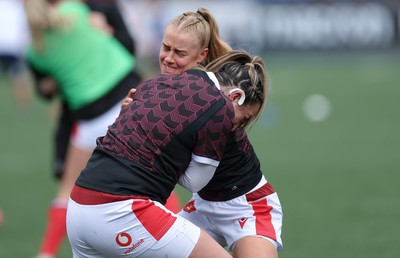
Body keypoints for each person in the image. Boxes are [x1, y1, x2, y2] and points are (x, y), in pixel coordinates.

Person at [66, 49, 267, 258]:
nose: (239, 126)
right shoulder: (219, 107)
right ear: (236, 97)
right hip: (120, 211)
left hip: (78, 207)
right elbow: (194, 183)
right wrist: (166, 157)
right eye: (244, 118)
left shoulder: (155, 86)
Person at [121, 10, 283, 258]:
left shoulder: (211, 97)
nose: (168, 59)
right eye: (166, 48)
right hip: (203, 205)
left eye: (180, 53)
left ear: (201, 56)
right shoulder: (165, 90)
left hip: (247, 206)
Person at [24, 1, 141, 257]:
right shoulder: (77, 10)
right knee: (148, 178)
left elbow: (46, 87)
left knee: (67, 189)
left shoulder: (35, 52)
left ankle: (46, 253)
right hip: (128, 97)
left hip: (89, 115)